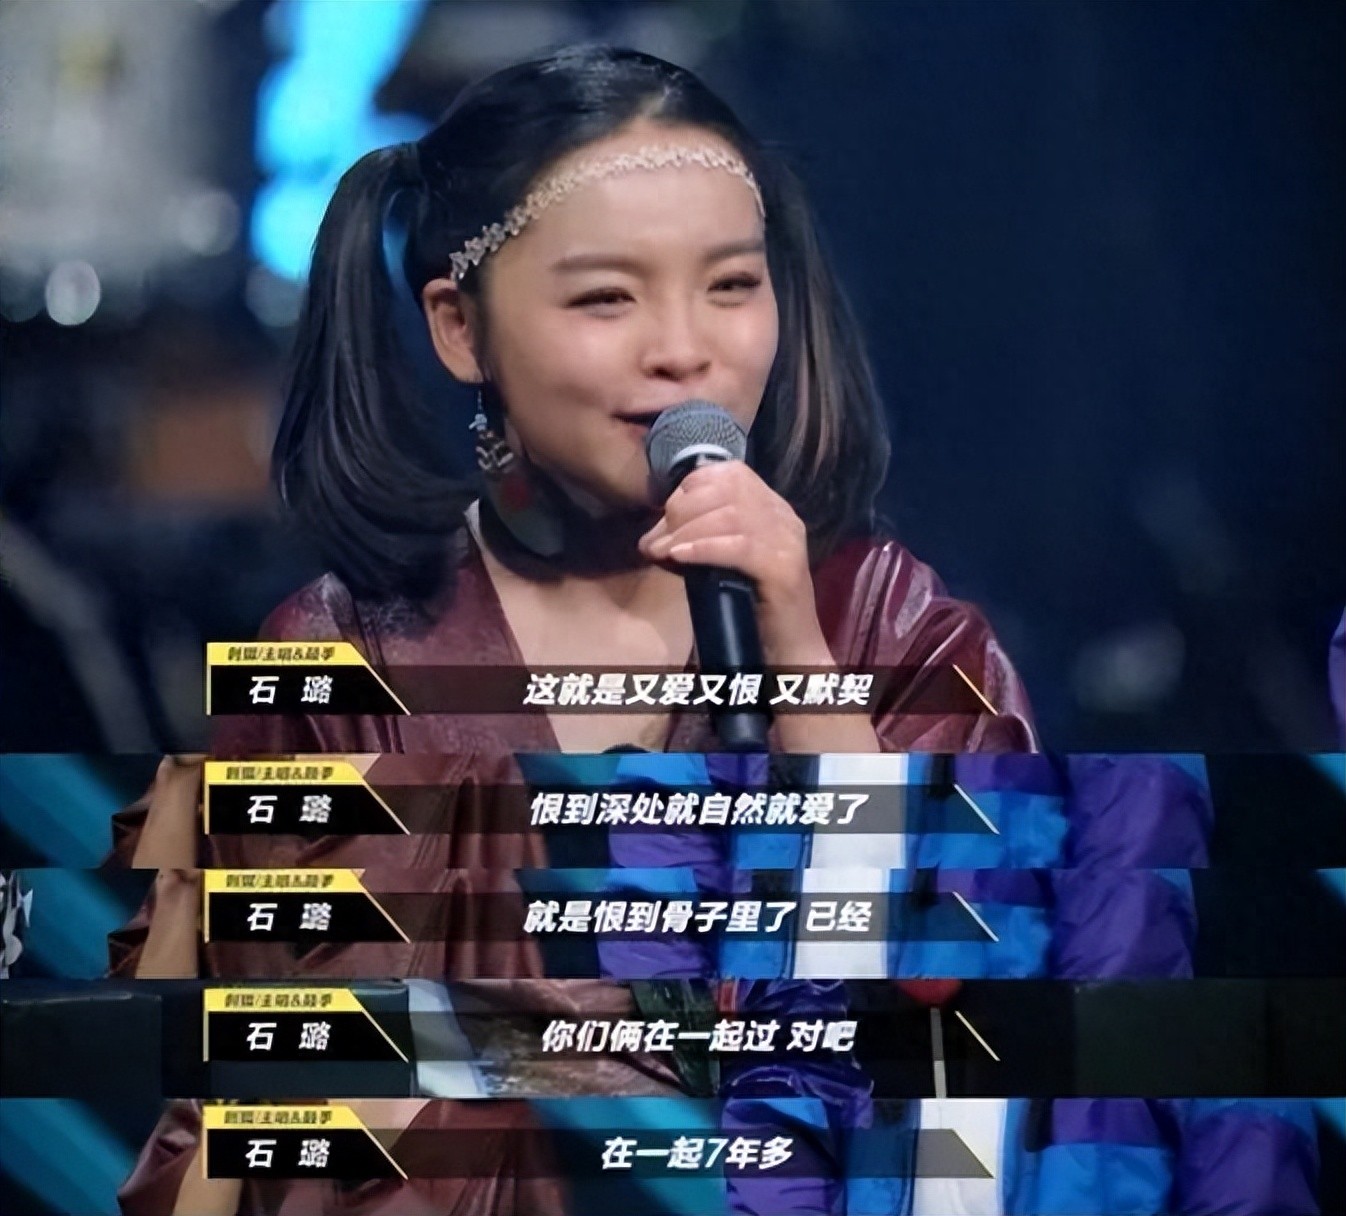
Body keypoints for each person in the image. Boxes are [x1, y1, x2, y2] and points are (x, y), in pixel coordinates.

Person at [114, 42, 1037, 1216]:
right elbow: (245, 1108)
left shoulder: (898, 632)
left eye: (731, 285)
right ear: (459, 328)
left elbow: (963, 1046)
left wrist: (798, 661)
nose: (684, 347)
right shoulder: (337, 661)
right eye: (606, 297)